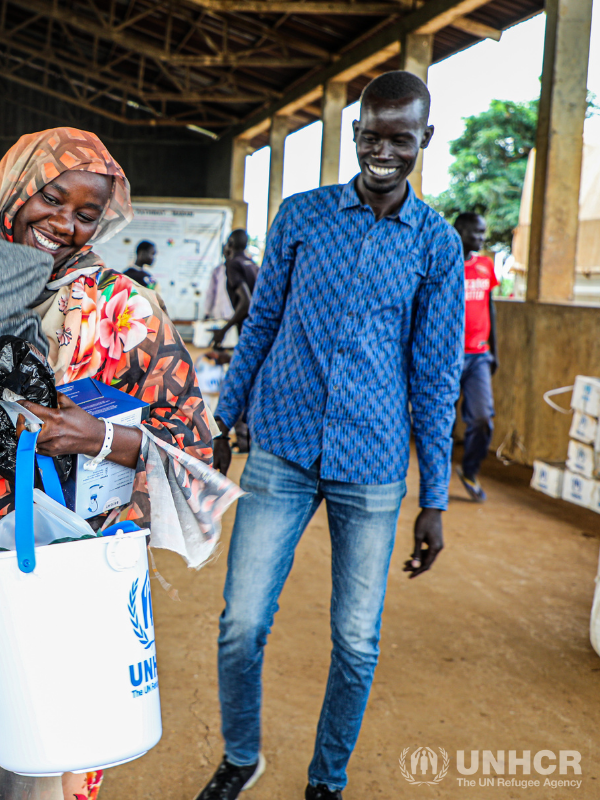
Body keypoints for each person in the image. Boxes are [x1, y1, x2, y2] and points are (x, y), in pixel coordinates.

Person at [0, 128, 216, 800]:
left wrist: (98, 439)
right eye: (52, 200)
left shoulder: (122, 311)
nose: (65, 225)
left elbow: (198, 452)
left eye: (87, 214)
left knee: (45, 755)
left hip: (57, 578)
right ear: (15, 189)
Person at [198, 71, 463, 800]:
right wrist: (225, 420)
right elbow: (262, 324)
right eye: (371, 135)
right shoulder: (303, 216)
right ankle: (242, 756)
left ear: (423, 141)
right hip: (280, 448)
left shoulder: (437, 246)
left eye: (400, 139)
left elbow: (437, 379)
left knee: (356, 640)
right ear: (354, 134)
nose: (383, 150)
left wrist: (432, 498)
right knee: (241, 624)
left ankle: (328, 779)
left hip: (372, 465)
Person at [454, 212, 497, 502]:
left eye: (483, 233)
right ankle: (431, 484)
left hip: (479, 355)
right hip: (448, 356)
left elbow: (491, 308)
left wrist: (495, 350)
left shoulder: (485, 266)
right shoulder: (446, 263)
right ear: (460, 231)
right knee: (440, 421)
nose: (481, 239)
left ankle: (469, 470)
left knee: (482, 418)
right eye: (476, 233)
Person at [210, 228, 258, 348]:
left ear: (230, 243)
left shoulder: (234, 264)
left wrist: (223, 331)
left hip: (248, 327)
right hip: (258, 326)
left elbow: (246, 302)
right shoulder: (252, 265)